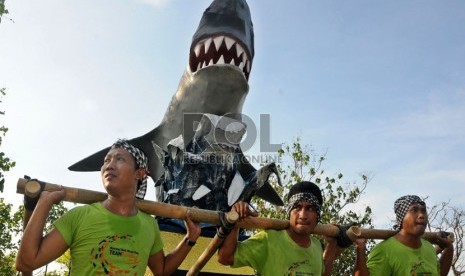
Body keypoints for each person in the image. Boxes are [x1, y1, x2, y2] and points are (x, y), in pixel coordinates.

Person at [16, 139, 201, 275]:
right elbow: (26, 263)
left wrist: (190, 239)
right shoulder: (80, 216)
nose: (109, 165)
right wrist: (44, 202)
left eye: (119, 159)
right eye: (106, 160)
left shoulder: (149, 225)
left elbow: (161, 270)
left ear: (139, 173)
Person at [217, 181, 344, 275]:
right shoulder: (269, 239)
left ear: (318, 215)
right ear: (289, 212)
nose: (303, 215)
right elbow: (225, 257)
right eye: (297, 207)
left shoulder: (316, 245)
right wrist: (235, 221)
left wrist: (331, 244)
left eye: (310, 208)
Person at [354, 195, 454, 276]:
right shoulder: (385, 251)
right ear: (402, 219)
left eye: (423, 211)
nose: (421, 215)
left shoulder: (428, 248)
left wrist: (449, 248)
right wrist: (360, 249)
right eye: (414, 210)